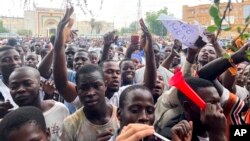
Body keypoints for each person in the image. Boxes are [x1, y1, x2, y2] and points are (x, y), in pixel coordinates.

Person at [60, 64, 119, 141]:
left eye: (96, 86)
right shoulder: (70, 124)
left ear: (105, 86)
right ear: (77, 90)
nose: (91, 93)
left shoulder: (121, 117)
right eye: (84, 88)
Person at [8, 66, 69, 141]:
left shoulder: (59, 110)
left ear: (40, 85)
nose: (20, 90)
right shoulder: (10, 122)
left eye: (27, 84)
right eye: (14, 86)